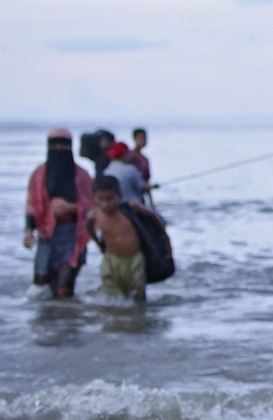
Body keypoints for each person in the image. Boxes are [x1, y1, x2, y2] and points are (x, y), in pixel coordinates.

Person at [24, 127, 94, 298]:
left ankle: (68, 321)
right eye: (55, 145)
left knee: (64, 288)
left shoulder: (82, 176)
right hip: (47, 236)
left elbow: (95, 208)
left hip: (73, 235)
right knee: (41, 285)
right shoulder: (39, 175)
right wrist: (28, 231)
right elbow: (32, 205)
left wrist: (71, 208)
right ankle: (49, 323)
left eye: (64, 145)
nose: (60, 149)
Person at [86, 175, 170, 301]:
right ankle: (115, 318)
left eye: (110, 199)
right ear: (94, 199)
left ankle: (136, 316)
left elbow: (154, 217)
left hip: (134, 259)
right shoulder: (95, 215)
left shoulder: (130, 209)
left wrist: (166, 241)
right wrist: (100, 245)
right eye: (100, 199)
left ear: (119, 196)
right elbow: (89, 229)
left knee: (137, 292)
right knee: (109, 292)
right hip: (112, 259)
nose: (105, 204)